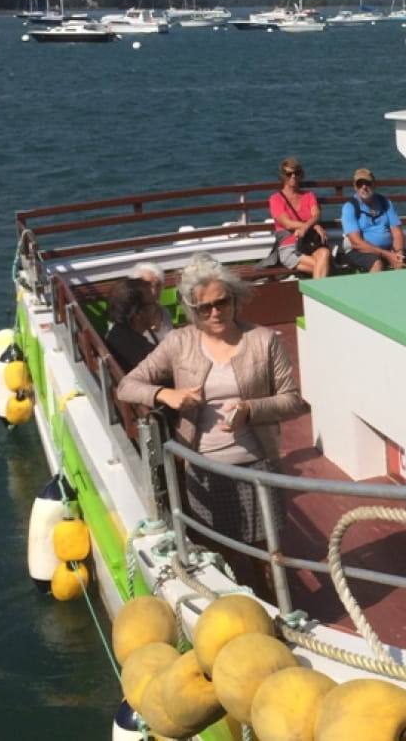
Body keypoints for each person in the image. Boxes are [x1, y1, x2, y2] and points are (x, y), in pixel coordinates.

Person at [117, 253, 306, 597]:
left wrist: (250, 409)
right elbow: (127, 386)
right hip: (203, 469)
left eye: (222, 302)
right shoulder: (179, 343)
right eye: (204, 308)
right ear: (192, 310)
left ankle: (277, 614)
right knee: (219, 553)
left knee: (269, 553)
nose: (215, 312)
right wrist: (165, 395)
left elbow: (292, 400)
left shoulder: (263, 341)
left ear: (235, 299)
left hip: (258, 465)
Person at [340, 167, 406, 273]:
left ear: (374, 184)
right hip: (360, 251)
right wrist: (387, 255)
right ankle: (373, 289)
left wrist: (399, 253)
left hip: (388, 249)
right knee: (376, 264)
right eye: (360, 184)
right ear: (355, 187)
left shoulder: (385, 202)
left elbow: (397, 232)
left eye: (367, 183)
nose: (364, 187)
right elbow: (356, 243)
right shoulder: (350, 207)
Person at [267, 157, 332, 279]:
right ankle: (317, 296)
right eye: (289, 174)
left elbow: (316, 214)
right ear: (282, 176)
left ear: (301, 175)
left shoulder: (309, 195)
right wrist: (313, 225)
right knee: (323, 266)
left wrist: (307, 226)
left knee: (324, 254)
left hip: (309, 244)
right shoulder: (276, 199)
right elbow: (287, 224)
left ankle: (314, 297)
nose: (293, 177)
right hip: (289, 247)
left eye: (296, 173)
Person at [104, 278, 160, 371]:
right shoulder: (147, 356)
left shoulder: (113, 334)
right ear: (138, 313)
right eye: (153, 303)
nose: (157, 307)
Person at [129, 262, 175, 343]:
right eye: (147, 285)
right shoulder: (130, 317)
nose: (154, 291)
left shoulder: (165, 312)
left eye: (158, 285)